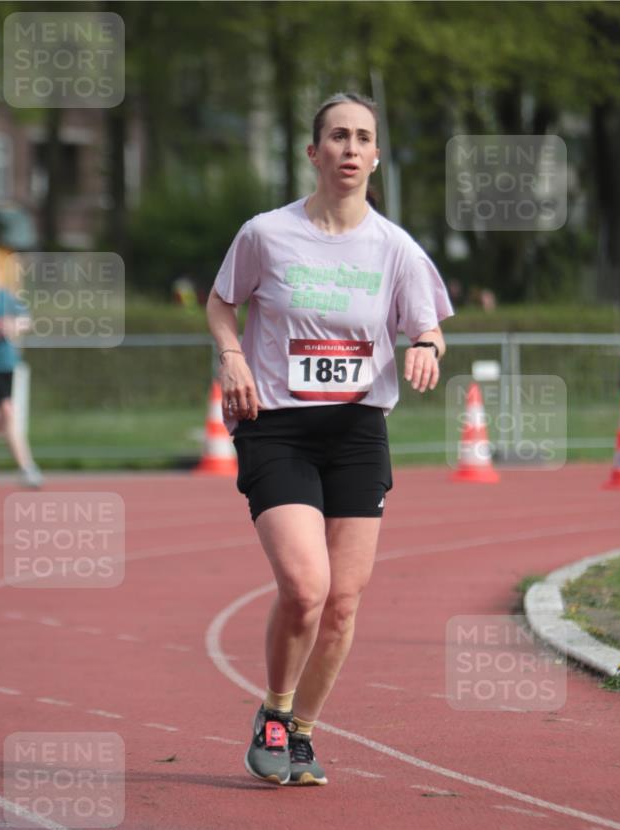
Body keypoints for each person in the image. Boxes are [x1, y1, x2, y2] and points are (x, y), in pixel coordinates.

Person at [207, 92, 453, 786]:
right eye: (338, 136)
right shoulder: (266, 234)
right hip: (277, 426)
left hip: (356, 430)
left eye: (363, 138)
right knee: (306, 586)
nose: (350, 148)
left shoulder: (395, 248)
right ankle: (274, 713)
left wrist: (426, 347)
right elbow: (222, 302)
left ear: (376, 157)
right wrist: (232, 357)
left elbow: (427, 324)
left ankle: (302, 734)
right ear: (314, 153)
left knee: (342, 603)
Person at [0, 260, 43, 488]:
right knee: (8, 412)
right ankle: (26, 467)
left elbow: (26, 320)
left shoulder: (6, 299)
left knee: (6, 417)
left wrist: (14, 326)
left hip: (8, 365)